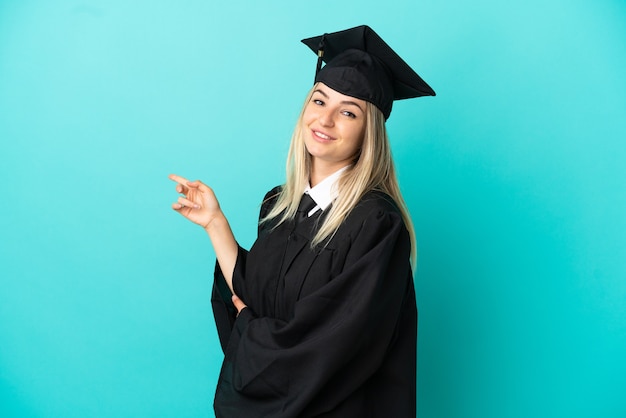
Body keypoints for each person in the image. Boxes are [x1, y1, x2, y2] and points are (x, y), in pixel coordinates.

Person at [170, 25, 435, 418]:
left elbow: (332, 345)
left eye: (348, 111)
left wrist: (250, 330)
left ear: (369, 133)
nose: (325, 120)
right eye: (319, 100)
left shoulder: (375, 223)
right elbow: (252, 300)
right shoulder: (278, 205)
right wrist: (215, 224)